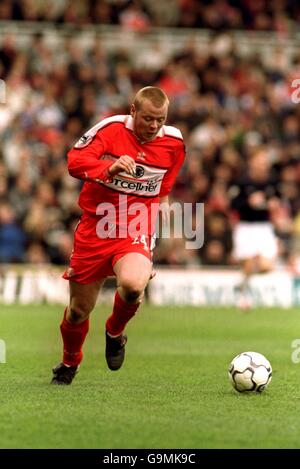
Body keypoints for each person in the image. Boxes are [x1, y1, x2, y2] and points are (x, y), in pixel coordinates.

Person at [51, 86, 185, 384]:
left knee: (134, 284)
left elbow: (165, 184)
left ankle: (114, 332)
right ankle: (70, 362)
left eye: (160, 120)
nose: (153, 126)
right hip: (96, 226)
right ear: (133, 111)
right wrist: (108, 167)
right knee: (78, 311)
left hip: (136, 225)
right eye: (148, 118)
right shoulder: (110, 129)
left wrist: (164, 216)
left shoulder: (174, 143)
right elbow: (74, 161)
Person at [229, 148, 279, 309]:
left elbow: (277, 198)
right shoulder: (242, 182)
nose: (263, 165)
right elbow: (232, 204)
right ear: (252, 162)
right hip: (246, 227)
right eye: (260, 161)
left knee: (266, 266)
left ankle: (241, 282)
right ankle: (243, 298)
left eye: (265, 162)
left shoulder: (272, 181)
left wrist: (274, 204)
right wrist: (248, 203)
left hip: (264, 227)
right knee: (249, 264)